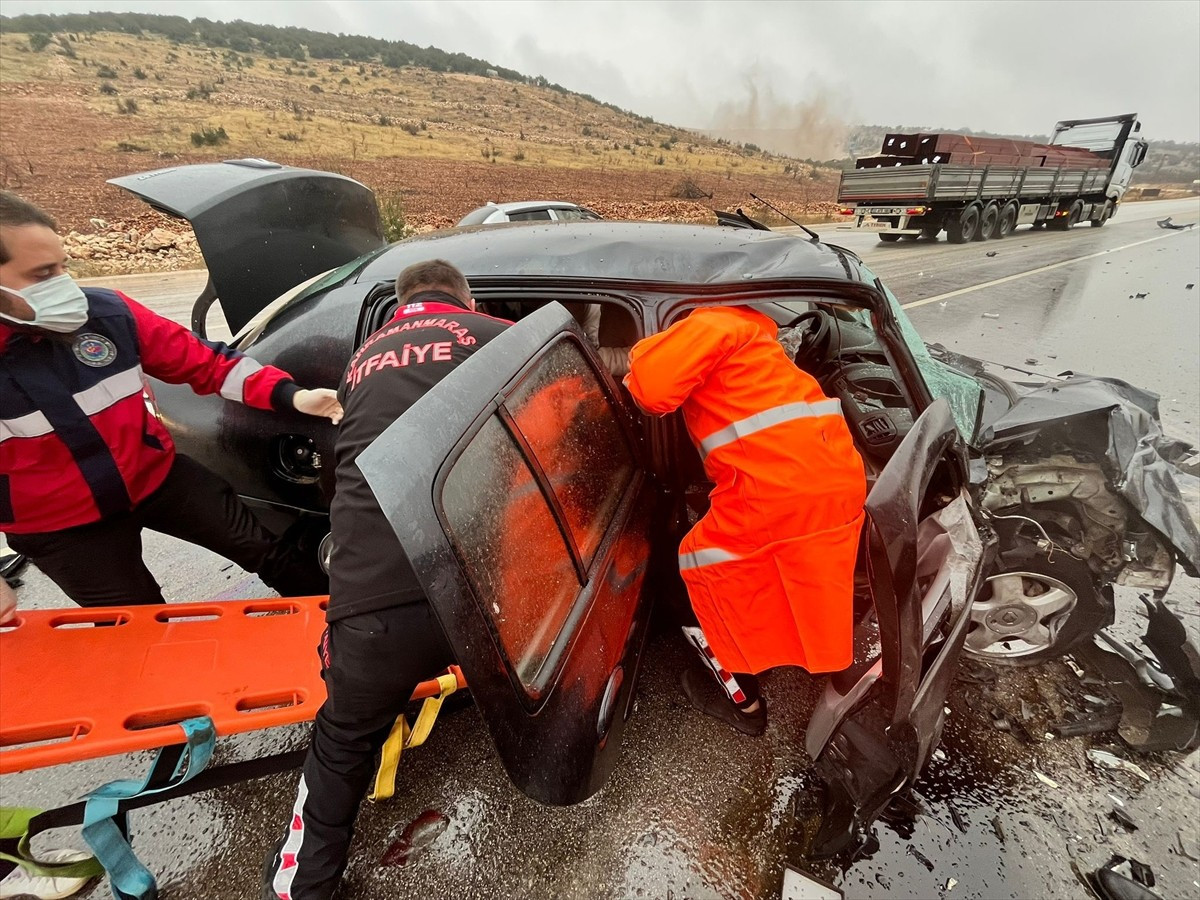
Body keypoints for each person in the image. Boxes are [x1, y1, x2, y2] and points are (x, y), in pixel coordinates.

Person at [264, 259, 509, 900]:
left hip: (372, 604)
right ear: (466, 297)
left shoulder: (361, 361)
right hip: (484, 593)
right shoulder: (499, 336)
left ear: (401, 306)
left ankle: (304, 887)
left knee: (343, 738)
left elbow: (334, 474)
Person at [0, 191, 341, 611]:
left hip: (155, 478)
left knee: (270, 551)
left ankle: (346, 639)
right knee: (139, 623)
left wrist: (292, 395)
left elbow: (206, 362)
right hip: (62, 526)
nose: (64, 286)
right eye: (42, 274)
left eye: (63, 267)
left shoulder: (108, 315)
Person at [624, 304, 866, 735]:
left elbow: (650, 391)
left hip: (777, 494)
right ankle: (835, 668)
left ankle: (745, 706)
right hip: (834, 477)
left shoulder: (712, 324)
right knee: (811, 575)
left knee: (693, 577)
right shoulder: (758, 334)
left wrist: (638, 354)